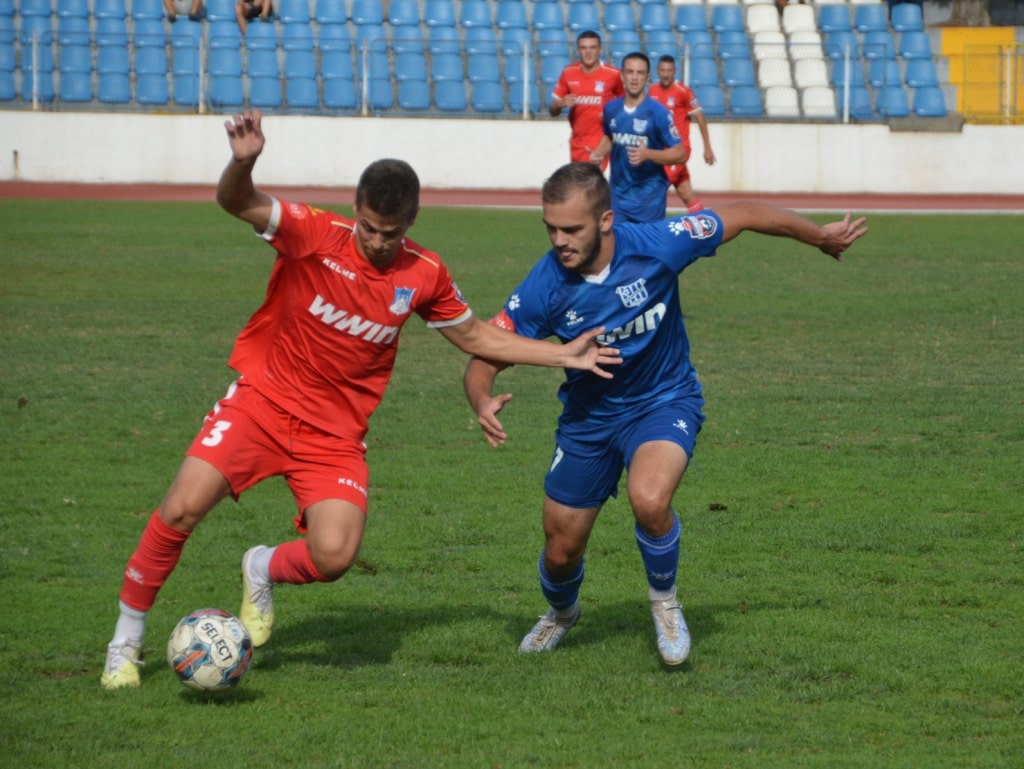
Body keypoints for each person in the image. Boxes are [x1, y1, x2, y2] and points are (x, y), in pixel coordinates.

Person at [100, 112, 622, 690]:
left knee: (335, 555)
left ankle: (260, 567)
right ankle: (126, 642)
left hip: (333, 435)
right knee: (181, 508)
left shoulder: (423, 274)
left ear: (411, 223)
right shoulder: (311, 232)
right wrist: (244, 160)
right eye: (369, 228)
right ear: (356, 210)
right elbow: (236, 201)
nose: (377, 242)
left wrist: (564, 356)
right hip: (262, 405)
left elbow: (475, 336)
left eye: (390, 233)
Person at [463, 162, 867, 667]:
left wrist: (818, 238)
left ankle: (665, 601)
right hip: (589, 422)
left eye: (572, 229)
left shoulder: (659, 241)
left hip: (664, 399)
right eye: (551, 228)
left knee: (649, 499)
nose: (559, 240)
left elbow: (742, 214)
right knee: (561, 549)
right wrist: (481, 398)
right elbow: (484, 356)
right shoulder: (546, 285)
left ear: (606, 220)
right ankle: (562, 613)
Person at [590, 52, 686, 224]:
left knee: (644, 251)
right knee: (616, 248)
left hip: (649, 200)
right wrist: (597, 154)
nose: (634, 78)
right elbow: (610, 137)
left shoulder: (659, 113)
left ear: (648, 78)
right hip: (618, 198)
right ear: (622, 75)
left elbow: (680, 153)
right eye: (630, 72)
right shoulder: (611, 109)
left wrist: (648, 154)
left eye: (640, 73)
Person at [648, 55, 717, 214]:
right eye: (663, 70)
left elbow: (700, 117)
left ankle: (651, 229)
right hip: (661, 150)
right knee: (687, 194)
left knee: (657, 187)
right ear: (657, 71)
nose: (665, 74)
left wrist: (707, 148)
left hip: (679, 149)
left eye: (669, 71)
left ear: (674, 72)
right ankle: (703, 226)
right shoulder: (652, 90)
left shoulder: (683, 92)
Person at [549, 30, 624, 173]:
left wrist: (613, 117)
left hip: (600, 141)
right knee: (580, 188)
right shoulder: (568, 72)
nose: (588, 52)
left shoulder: (613, 74)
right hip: (577, 143)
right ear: (578, 51)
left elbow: (626, 103)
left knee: (588, 183)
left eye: (592, 47)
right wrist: (559, 103)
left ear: (600, 50)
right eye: (584, 48)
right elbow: (552, 111)